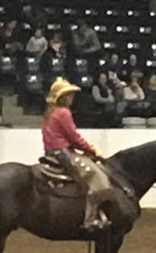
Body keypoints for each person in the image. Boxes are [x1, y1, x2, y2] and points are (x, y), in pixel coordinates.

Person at [41, 77, 113, 231]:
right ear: (63, 97)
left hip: (51, 152)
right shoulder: (63, 113)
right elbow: (74, 137)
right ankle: (90, 219)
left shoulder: (50, 113)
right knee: (95, 175)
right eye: (69, 95)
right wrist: (92, 150)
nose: (72, 98)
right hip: (63, 153)